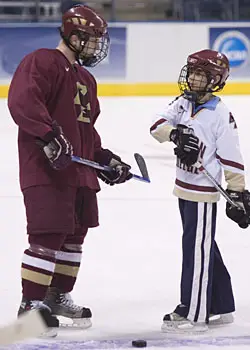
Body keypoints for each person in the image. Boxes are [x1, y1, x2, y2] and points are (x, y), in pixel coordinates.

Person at [8, 4, 132, 333]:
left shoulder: (87, 80)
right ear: (74, 37)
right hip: (46, 168)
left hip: (79, 173)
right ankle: (31, 307)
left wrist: (105, 161)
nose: (96, 48)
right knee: (47, 234)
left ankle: (57, 296)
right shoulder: (42, 61)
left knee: (74, 238)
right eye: (92, 40)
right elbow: (23, 100)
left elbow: (86, 132)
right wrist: (48, 135)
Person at [150, 49, 250, 333]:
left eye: (200, 75)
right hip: (183, 189)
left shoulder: (221, 115)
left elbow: (232, 158)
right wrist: (175, 134)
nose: (192, 79)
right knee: (202, 246)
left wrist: (237, 192)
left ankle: (194, 313)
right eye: (191, 73)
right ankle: (221, 303)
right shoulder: (183, 103)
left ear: (215, 80)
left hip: (204, 193)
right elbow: (156, 125)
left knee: (196, 250)